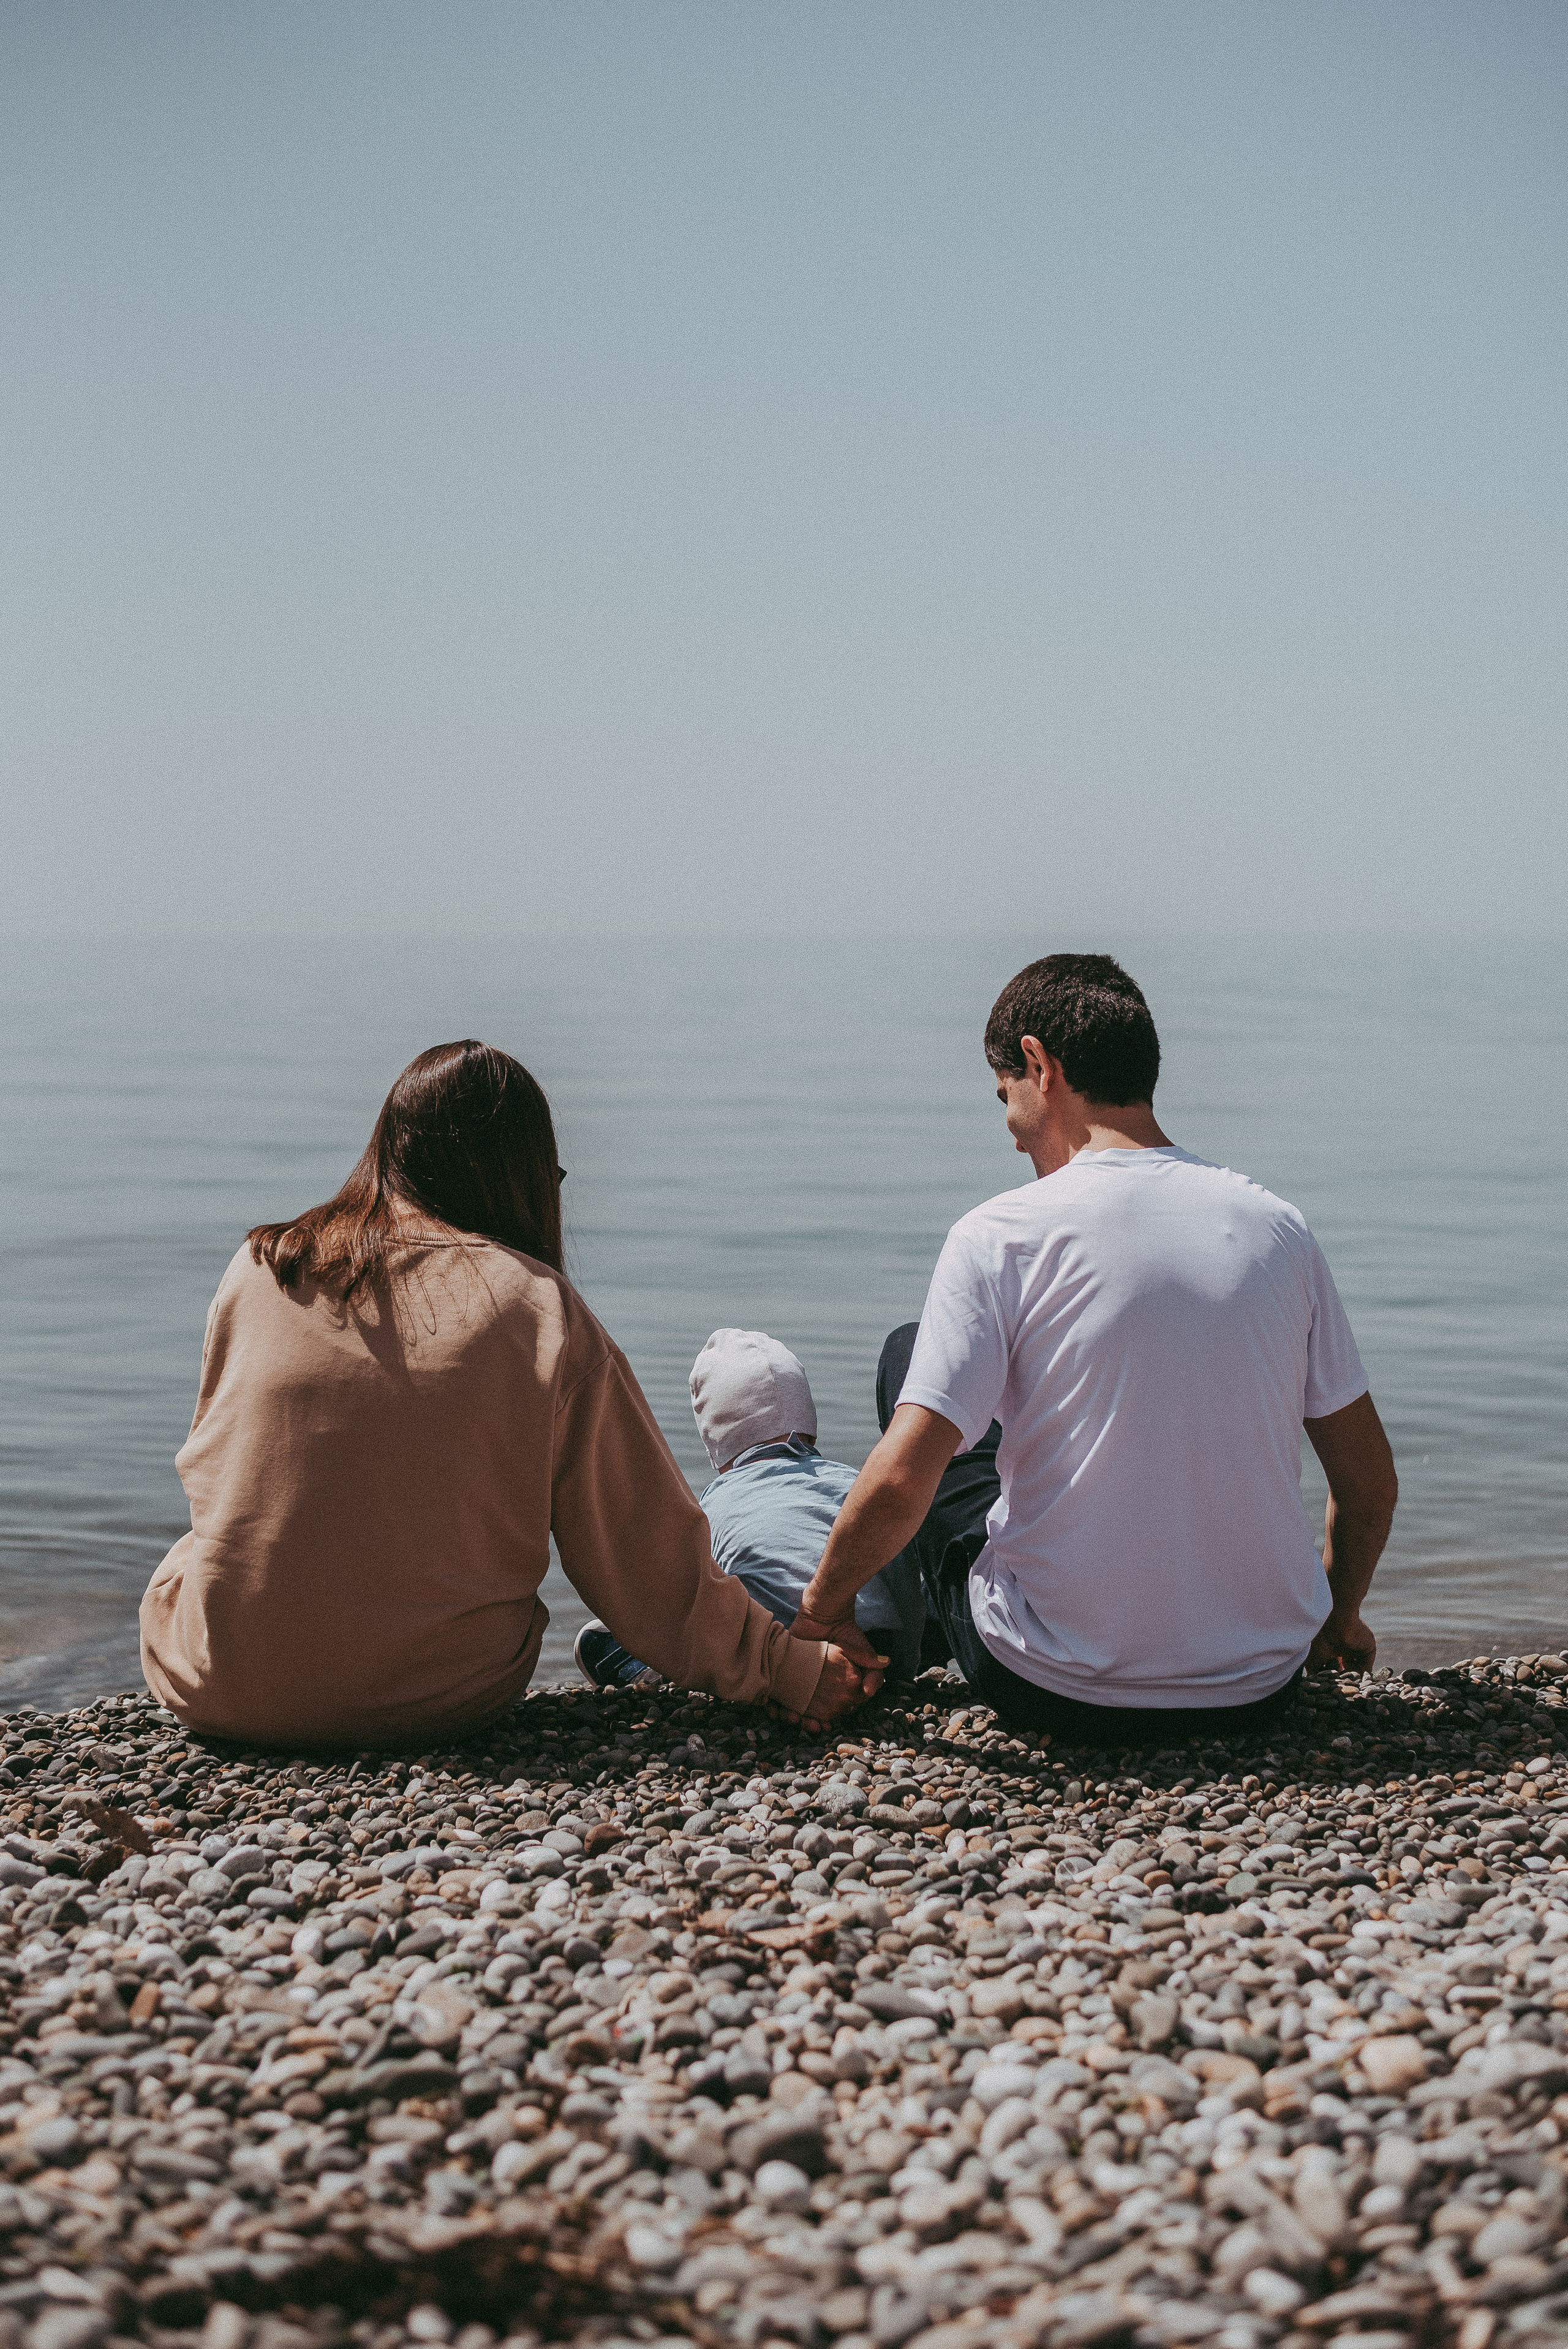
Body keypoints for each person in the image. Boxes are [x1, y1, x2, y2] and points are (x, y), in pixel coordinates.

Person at [140, 1042, 874, 1748]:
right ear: (523, 1177)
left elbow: (220, 1478)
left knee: (196, 1551)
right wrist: (791, 1671)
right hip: (437, 1699)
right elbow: (642, 1557)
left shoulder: (265, 1266)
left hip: (221, 1686)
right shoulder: (536, 1307)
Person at [786, 955, 1398, 1747]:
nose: (1010, 1136)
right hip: (1259, 1686)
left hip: (1051, 1684)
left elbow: (905, 1477)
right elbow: (1370, 1482)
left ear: (1039, 1065)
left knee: (915, 1358)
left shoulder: (999, 1234)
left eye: (1005, 1097)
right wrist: (1337, 1616)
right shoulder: (1277, 1228)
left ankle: (890, 1640)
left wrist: (817, 1614)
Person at [576, 1327, 925, 1691]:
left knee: (616, 1635)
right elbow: (903, 1572)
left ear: (716, 1444)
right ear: (810, 1428)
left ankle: (649, 1677)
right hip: (878, 1651)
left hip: (776, 1659)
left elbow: (689, 1596)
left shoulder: (712, 1506)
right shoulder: (854, 1482)